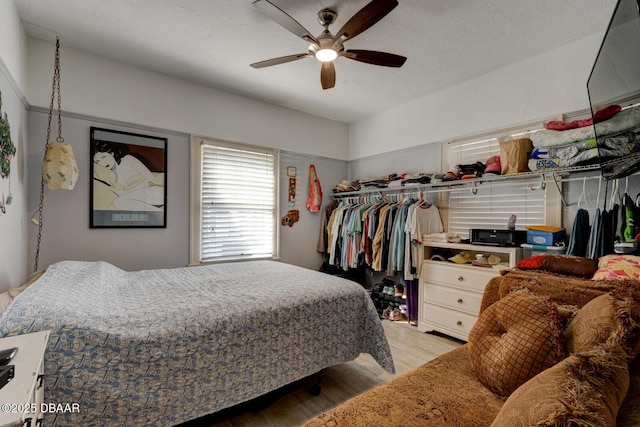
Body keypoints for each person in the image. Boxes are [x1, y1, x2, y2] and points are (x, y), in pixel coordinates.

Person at [92, 140, 164, 211]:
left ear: (112, 153)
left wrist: (126, 192)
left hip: (155, 191)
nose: (103, 162)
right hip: (142, 198)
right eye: (98, 161)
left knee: (118, 202)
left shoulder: (128, 159)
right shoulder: (111, 175)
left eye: (103, 157)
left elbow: (150, 177)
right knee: (118, 202)